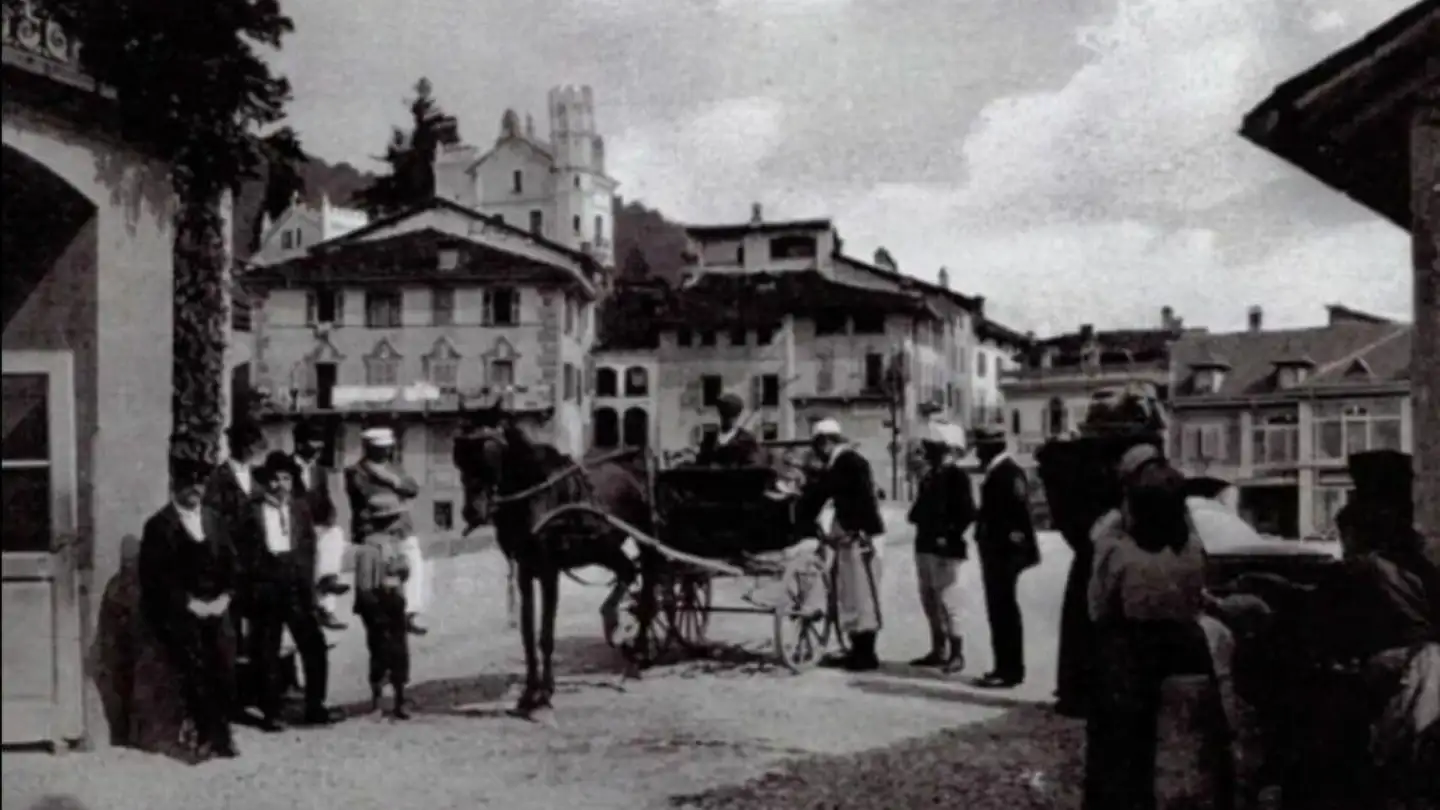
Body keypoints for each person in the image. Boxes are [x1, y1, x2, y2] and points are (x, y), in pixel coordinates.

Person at [1083, 445, 1213, 810]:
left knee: (1121, 752)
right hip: (1184, 652)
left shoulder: (1118, 551)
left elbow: (1097, 607)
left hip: (1128, 654)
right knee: (1179, 749)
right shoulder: (1193, 548)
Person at [135, 459, 239, 762]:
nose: (195, 489)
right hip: (180, 612)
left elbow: (231, 564)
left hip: (216, 606)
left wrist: (225, 597)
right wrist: (187, 604)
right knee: (194, 672)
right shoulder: (159, 525)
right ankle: (201, 737)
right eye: (188, 483)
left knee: (224, 667)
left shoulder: (213, 520)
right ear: (175, 486)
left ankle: (222, 734)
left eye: (200, 483)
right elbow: (155, 578)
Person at [235, 451, 340, 731]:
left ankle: (315, 706)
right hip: (265, 587)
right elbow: (241, 555)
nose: (279, 485)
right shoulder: (250, 511)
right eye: (273, 479)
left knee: (314, 645)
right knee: (266, 651)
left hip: (296, 587)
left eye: (285, 478)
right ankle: (271, 713)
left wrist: (309, 587)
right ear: (264, 482)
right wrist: (250, 590)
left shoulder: (300, 508)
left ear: (292, 481)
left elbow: (309, 549)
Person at [796, 417, 886, 671]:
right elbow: (823, 492)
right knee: (850, 594)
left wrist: (856, 530)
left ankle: (866, 655)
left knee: (861, 595)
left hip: (859, 537)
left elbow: (858, 499)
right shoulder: (841, 463)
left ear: (826, 442)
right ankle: (857, 649)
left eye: (817, 446)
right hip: (851, 534)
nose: (816, 452)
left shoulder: (849, 463)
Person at [906, 422, 976, 674]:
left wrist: (949, 534)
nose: (927, 452)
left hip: (946, 548)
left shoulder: (957, 476)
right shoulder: (930, 476)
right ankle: (939, 649)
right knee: (930, 600)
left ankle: (956, 653)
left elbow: (967, 512)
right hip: (925, 545)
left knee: (949, 601)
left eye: (932, 447)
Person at [972, 426, 1039, 688]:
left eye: (980, 447)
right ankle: (1004, 666)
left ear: (990, 448)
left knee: (1003, 611)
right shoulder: (999, 471)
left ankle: (1009, 670)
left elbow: (1017, 514)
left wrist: (1013, 545)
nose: (977, 453)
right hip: (996, 551)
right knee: (999, 610)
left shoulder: (1008, 473)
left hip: (1004, 553)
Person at [345, 425, 428, 636]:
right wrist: (397, 488)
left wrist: (393, 481)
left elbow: (413, 489)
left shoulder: (394, 467)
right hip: (374, 531)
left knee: (413, 565)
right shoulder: (356, 472)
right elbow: (373, 500)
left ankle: (409, 613)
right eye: (380, 448)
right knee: (378, 578)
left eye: (387, 447)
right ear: (368, 448)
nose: (385, 451)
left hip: (402, 528)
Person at [204, 420, 266, 647]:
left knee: (258, 606)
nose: (251, 449)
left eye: (253, 444)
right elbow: (212, 517)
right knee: (233, 609)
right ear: (234, 445)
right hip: (231, 552)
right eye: (246, 444)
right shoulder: (219, 478)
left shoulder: (257, 476)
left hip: (255, 553)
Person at [352, 497, 415, 719]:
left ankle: (398, 697)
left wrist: (402, 568)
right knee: (381, 650)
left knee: (397, 650)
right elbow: (364, 586)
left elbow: (405, 572)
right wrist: (374, 611)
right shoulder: (367, 549)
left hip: (394, 602)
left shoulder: (395, 544)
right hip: (377, 604)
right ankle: (380, 700)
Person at [289, 420, 350, 630]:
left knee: (335, 534)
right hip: (293, 526)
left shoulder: (320, 471)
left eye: (320, 442)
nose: (319, 447)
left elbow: (324, 501)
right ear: (300, 444)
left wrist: (330, 516)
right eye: (314, 442)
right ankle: (323, 596)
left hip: (315, 525)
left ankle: (327, 590)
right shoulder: (285, 467)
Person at [695, 392, 762, 466]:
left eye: (731, 416)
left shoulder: (747, 441)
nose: (728, 420)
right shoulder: (709, 439)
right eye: (725, 415)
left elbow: (752, 467)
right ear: (720, 414)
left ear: (737, 415)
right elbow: (700, 465)